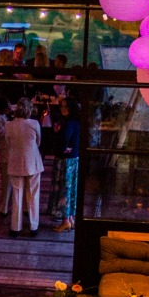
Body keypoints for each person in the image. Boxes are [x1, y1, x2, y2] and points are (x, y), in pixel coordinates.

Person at [4, 100, 44, 234]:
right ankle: (33, 226)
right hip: (33, 162)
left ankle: (15, 227)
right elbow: (38, 142)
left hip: (15, 162)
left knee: (17, 195)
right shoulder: (34, 124)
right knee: (33, 195)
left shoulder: (9, 125)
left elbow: (8, 143)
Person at [53, 97, 80, 230]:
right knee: (70, 188)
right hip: (74, 158)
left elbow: (64, 139)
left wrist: (57, 135)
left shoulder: (68, 123)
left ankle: (65, 220)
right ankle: (70, 218)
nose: (62, 109)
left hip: (65, 161)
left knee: (64, 188)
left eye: (64, 106)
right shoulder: (76, 122)